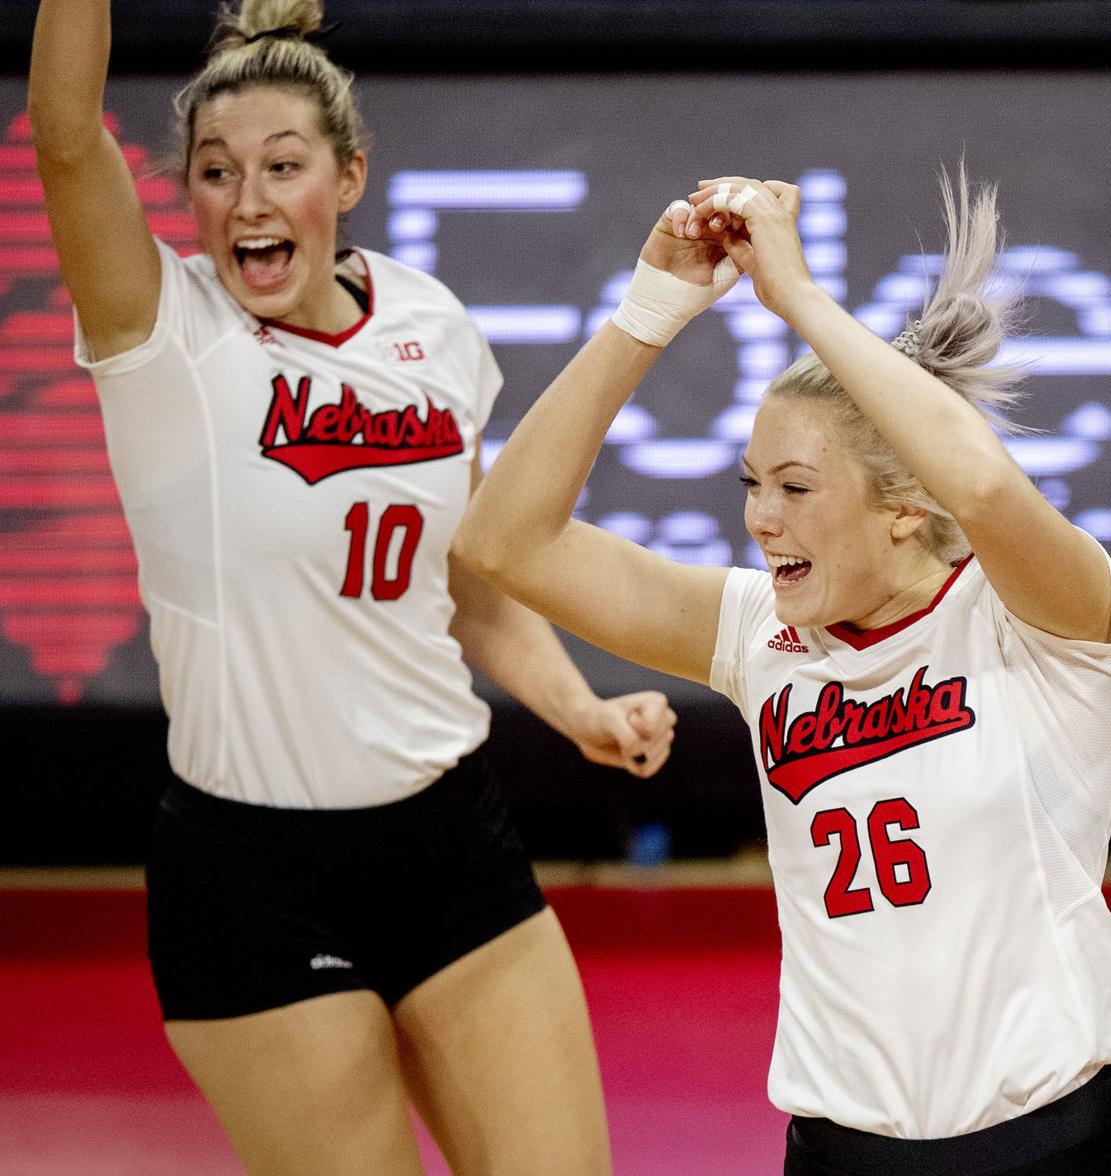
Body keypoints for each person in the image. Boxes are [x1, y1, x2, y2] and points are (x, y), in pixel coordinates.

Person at [28, 1, 679, 1172]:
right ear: (189, 197)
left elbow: (473, 580)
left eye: (285, 166)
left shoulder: (431, 325)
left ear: (350, 176)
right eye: (218, 173)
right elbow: (66, 134)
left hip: (453, 844)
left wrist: (579, 707)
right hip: (253, 883)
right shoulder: (162, 333)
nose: (253, 200)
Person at [453, 168, 1111, 1174]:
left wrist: (797, 296)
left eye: (795, 487)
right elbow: (503, 542)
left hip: (1054, 1150)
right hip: (841, 1155)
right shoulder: (758, 634)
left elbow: (977, 476)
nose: (761, 519)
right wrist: (651, 308)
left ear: (905, 506)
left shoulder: (1038, 615)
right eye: (751, 485)